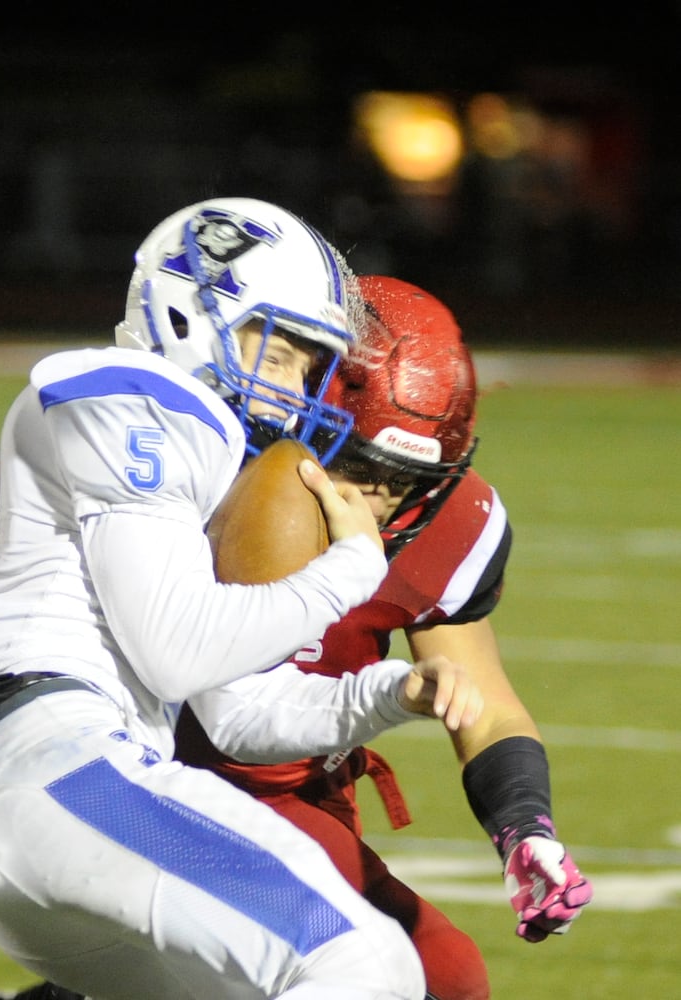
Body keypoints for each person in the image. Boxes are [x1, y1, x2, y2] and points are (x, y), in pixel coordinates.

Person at [0, 197, 484, 1000]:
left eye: (306, 369)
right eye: (277, 352)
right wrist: (347, 570)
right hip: (57, 765)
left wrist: (387, 693)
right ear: (190, 308)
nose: (291, 389)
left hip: (60, 795)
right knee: (361, 963)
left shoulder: (197, 459)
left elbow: (233, 712)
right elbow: (175, 650)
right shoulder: (141, 400)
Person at [171, 275, 593, 999]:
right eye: (357, 464)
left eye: (401, 481)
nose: (375, 501)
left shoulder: (447, 523)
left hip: (296, 796)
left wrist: (525, 828)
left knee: (441, 977)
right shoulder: (196, 472)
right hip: (154, 777)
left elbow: (484, 705)